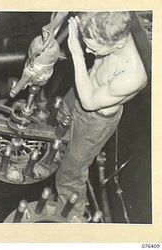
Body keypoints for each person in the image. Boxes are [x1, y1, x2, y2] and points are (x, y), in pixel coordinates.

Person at [55, 12, 148, 221]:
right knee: (60, 117)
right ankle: (54, 146)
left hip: (94, 120)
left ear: (120, 43)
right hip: (82, 88)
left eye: (94, 49)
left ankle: (71, 219)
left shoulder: (132, 74)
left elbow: (89, 102)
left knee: (69, 175)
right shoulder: (111, 23)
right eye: (87, 45)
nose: (88, 50)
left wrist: (77, 54)